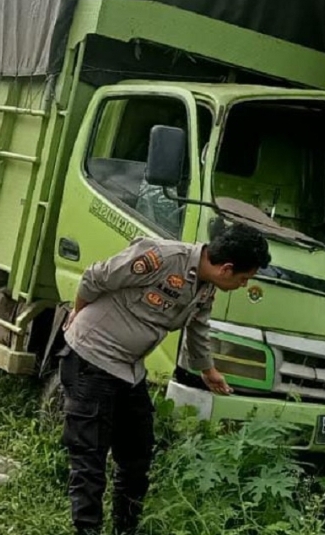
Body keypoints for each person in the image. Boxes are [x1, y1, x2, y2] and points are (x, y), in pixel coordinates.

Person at [60, 222, 271, 535]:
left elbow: (198, 326)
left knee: (137, 456)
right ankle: (87, 529)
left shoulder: (205, 285)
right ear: (226, 269)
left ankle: (125, 528)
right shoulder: (161, 257)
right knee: (90, 457)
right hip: (91, 358)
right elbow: (95, 277)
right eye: (243, 279)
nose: (242, 285)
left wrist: (208, 370)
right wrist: (78, 315)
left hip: (129, 370)